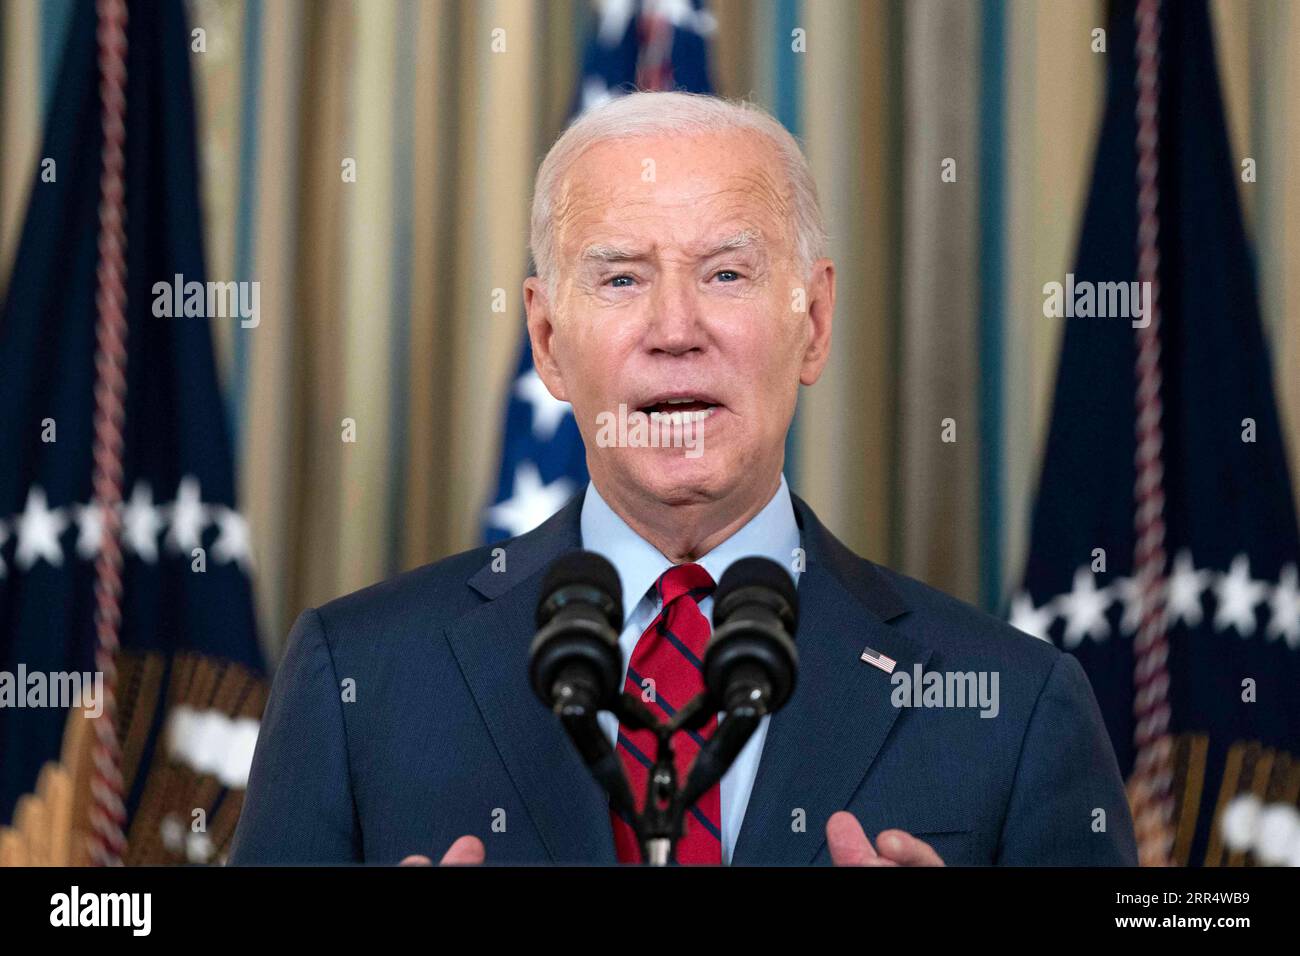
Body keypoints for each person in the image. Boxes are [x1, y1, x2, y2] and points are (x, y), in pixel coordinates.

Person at [229, 91, 1137, 866]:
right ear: (546, 340)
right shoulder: (356, 679)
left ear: (813, 321)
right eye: (622, 279)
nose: (676, 327)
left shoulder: (1017, 705)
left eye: (728, 273)